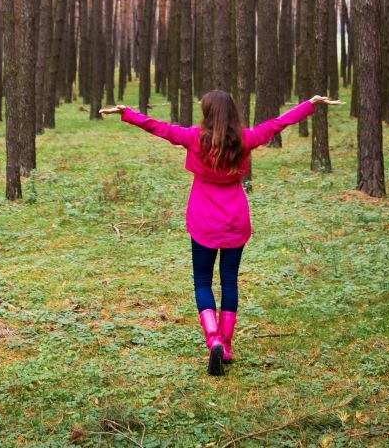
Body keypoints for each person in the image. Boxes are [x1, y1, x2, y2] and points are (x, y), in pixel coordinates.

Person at [100, 90, 342, 375]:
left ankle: (212, 337)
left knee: (202, 281)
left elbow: (160, 128)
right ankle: (225, 346)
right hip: (235, 220)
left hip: (203, 221)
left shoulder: (194, 138)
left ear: (207, 113)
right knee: (229, 282)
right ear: (232, 113)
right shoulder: (246, 138)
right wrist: (309, 105)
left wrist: (128, 113)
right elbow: (278, 124)